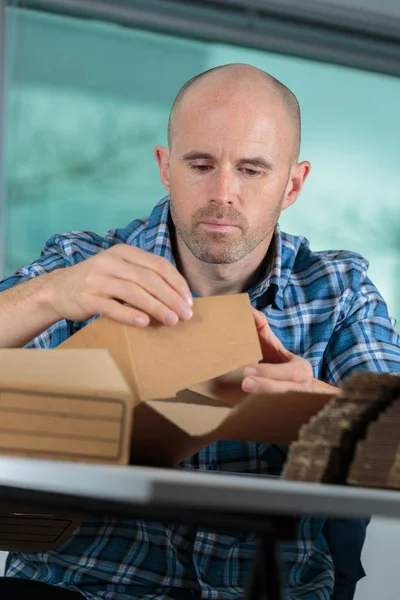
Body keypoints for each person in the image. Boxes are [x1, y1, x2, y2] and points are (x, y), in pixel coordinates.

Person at [0, 63, 398, 600]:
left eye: (253, 169)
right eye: (201, 163)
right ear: (166, 168)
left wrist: (321, 407)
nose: (223, 192)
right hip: (82, 587)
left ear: (293, 184)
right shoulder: (82, 264)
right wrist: (52, 294)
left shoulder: (339, 290)